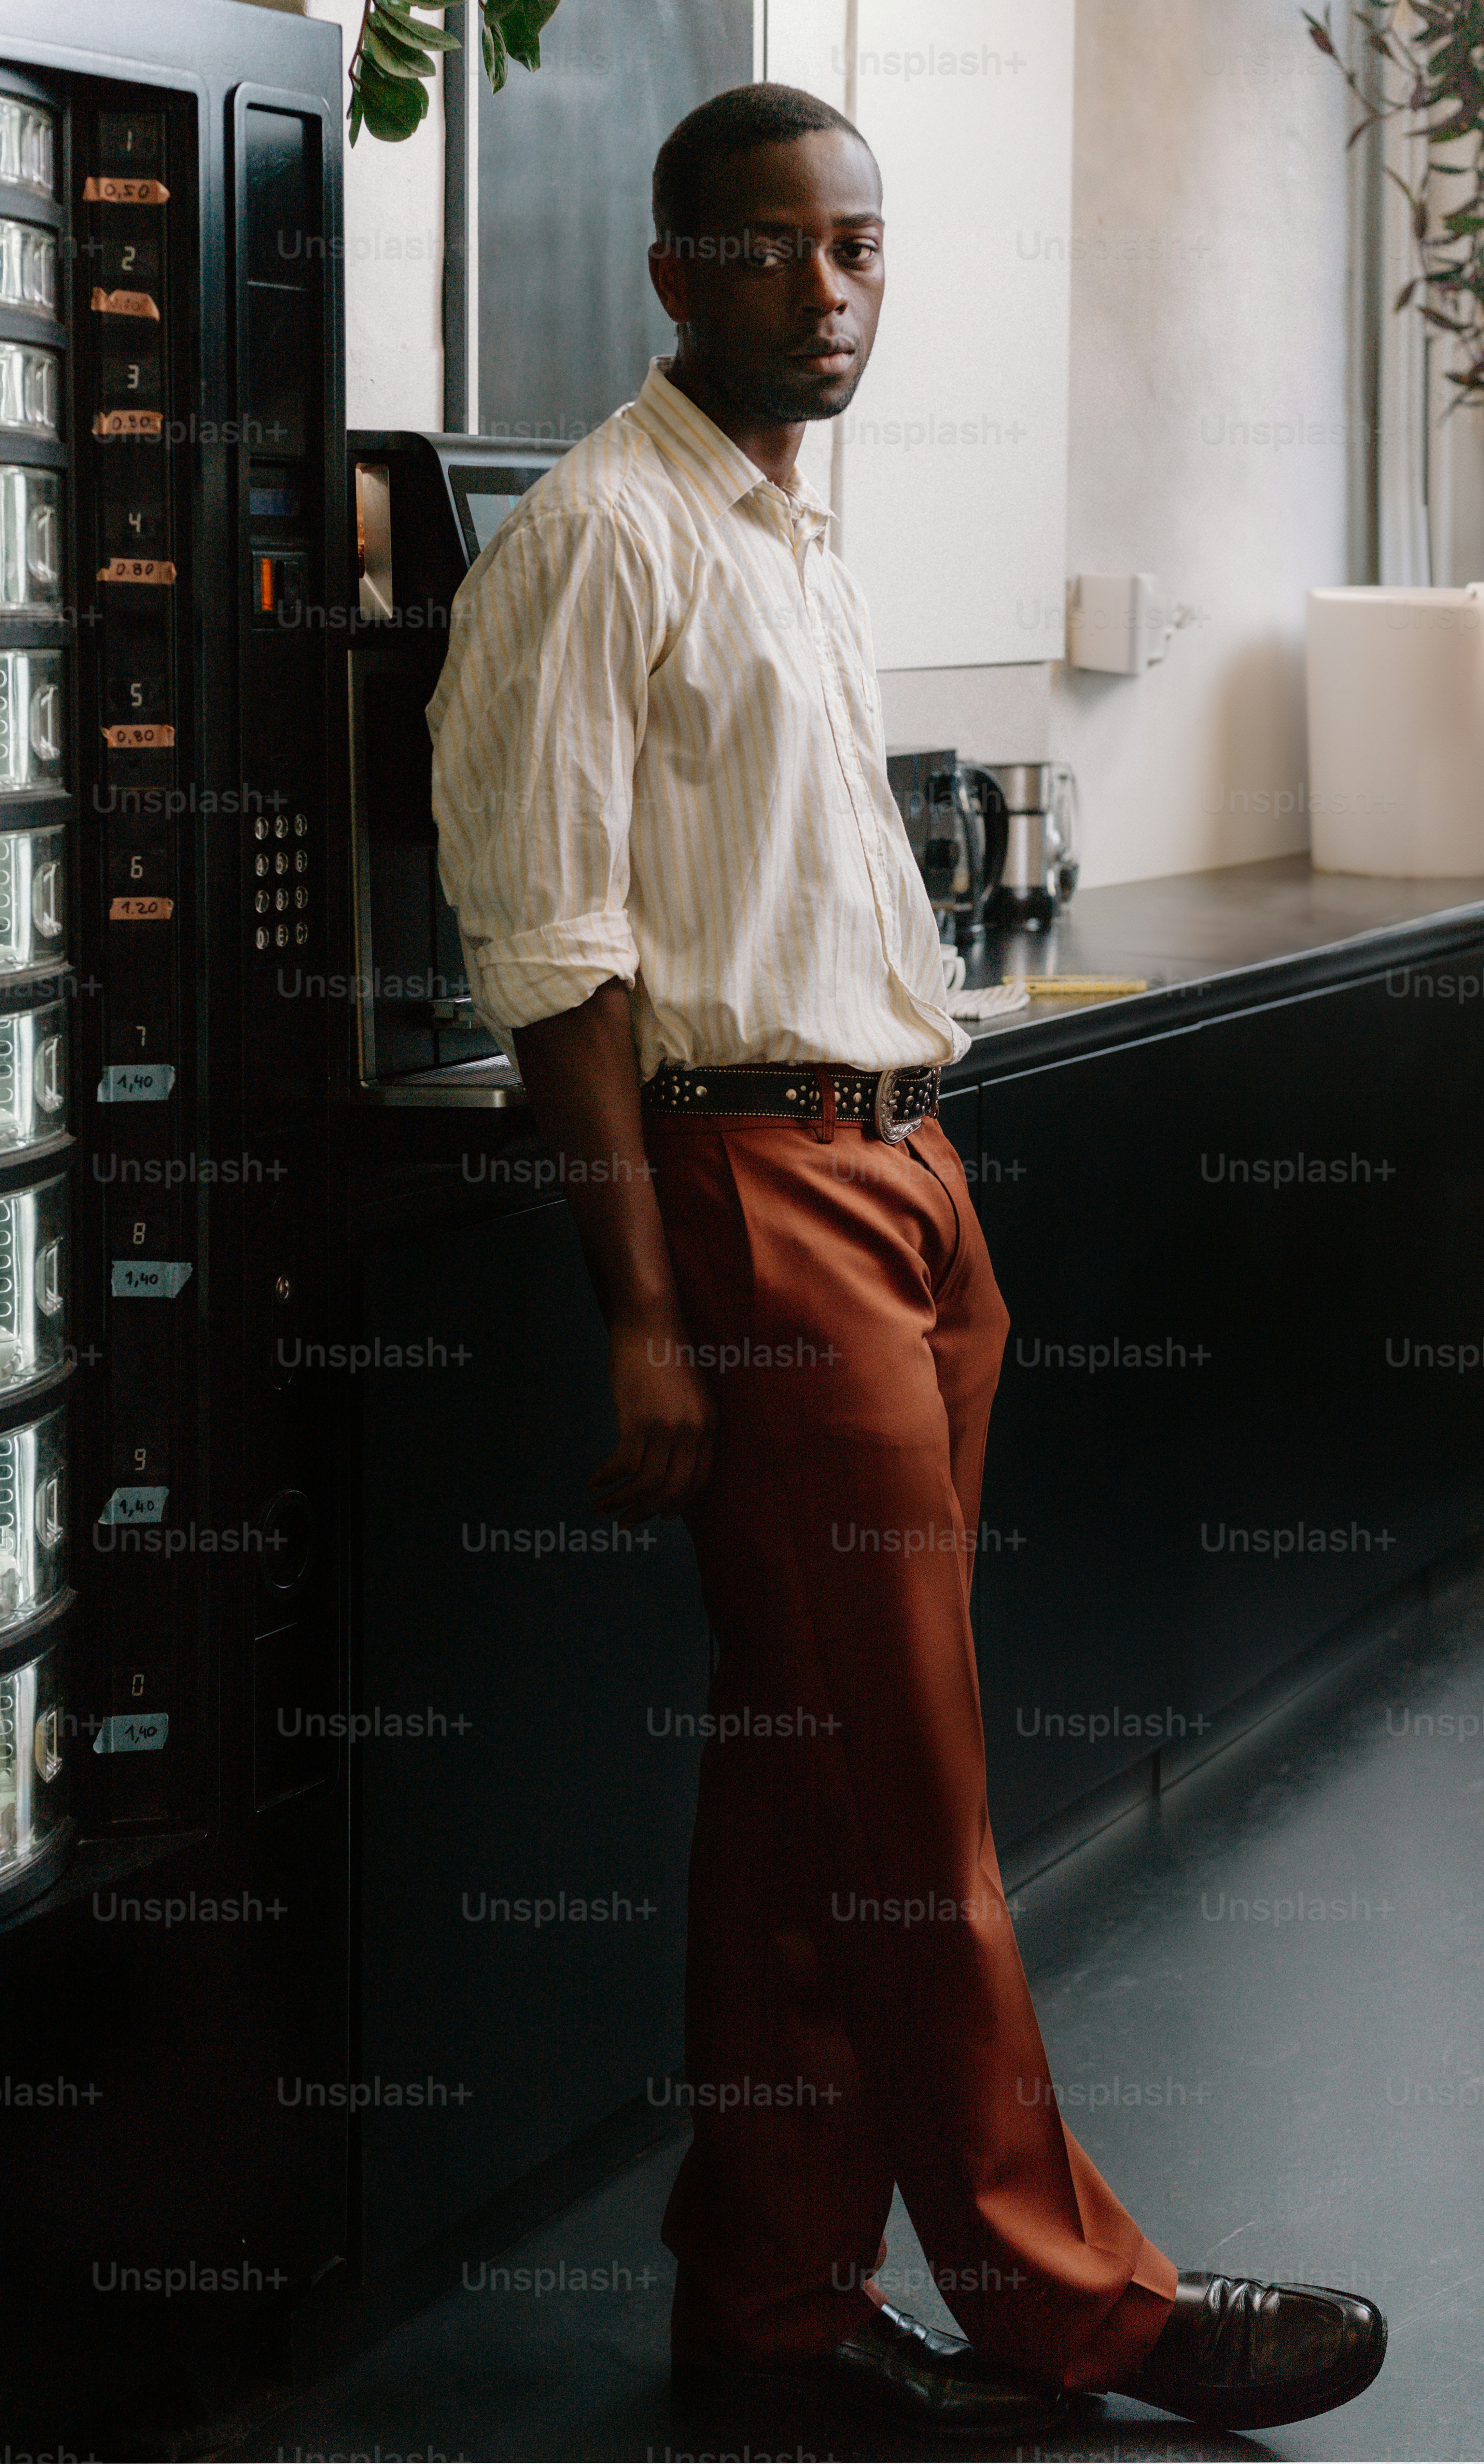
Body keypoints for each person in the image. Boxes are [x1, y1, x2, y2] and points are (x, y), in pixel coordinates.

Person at [425, 80, 1387, 2441]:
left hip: (897, 1177)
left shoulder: (787, 537)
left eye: (858, 250)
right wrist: (642, 1313)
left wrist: (928, 1183)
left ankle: (762, 2308)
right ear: (675, 275)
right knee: (917, 1799)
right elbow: (548, 952)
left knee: (811, 1785)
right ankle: (1084, 2306)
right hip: (754, 1205)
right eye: (774, 253)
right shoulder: (597, 539)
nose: (829, 292)